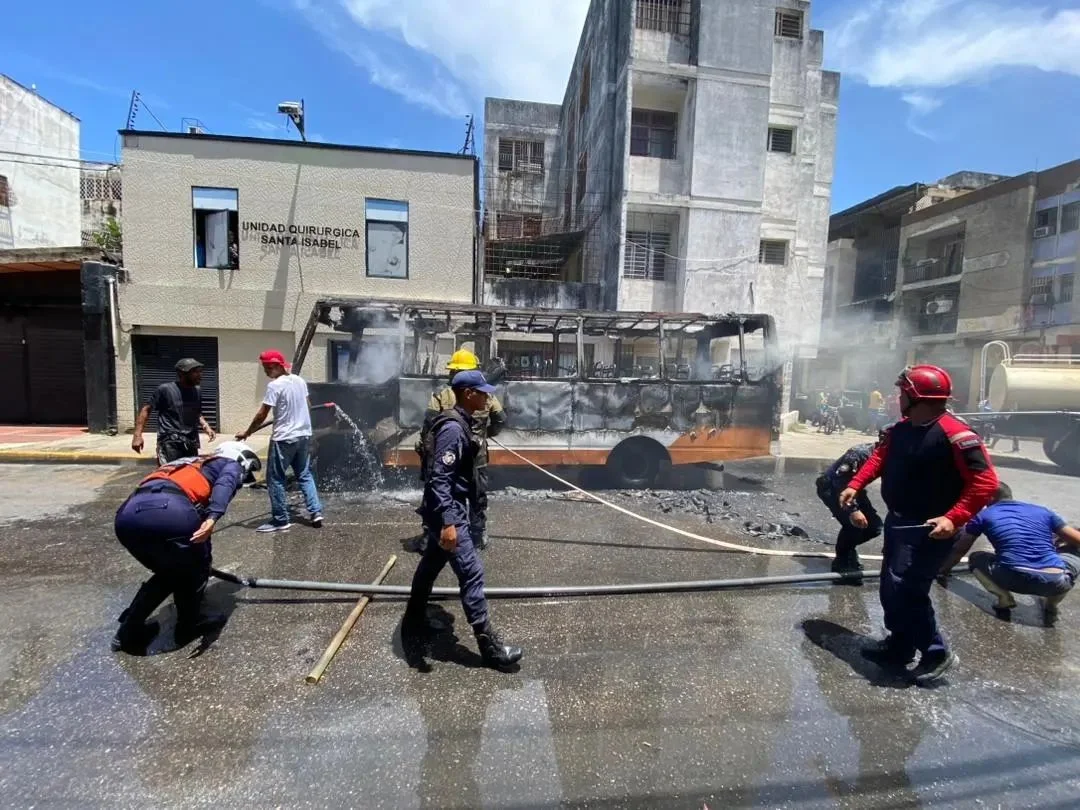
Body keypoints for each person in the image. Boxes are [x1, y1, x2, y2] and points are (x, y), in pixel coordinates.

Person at [840, 365, 999, 685]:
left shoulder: (957, 436)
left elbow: (985, 483)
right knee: (890, 586)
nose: (896, 399)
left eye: (901, 394)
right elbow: (878, 459)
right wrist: (856, 484)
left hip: (930, 528)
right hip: (899, 523)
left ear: (915, 398)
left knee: (908, 588)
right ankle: (899, 645)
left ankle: (935, 652)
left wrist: (953, 518)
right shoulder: (902, 429)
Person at [403, 370, 523, 669]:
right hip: (449, 511)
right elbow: (439, 479)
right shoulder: (453, 430)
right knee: (471, 574)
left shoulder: (460, 422)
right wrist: (448, 523)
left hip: (445, 510)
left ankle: (413, 620)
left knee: (430, 564)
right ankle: (490, 647)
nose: (487, 397)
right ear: (468, 394)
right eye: (482, 392)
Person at [111, 441, 261, 653]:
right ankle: (188, 626)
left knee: (168, 573)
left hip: (127, 517)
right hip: (171, 511)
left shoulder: (187, 463)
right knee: (197, 568)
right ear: (238, 455)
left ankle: (127, 632)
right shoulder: (228, 462)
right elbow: (226, 482)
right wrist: (213, 516)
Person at [940, 482, 1080, 626]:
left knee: (976, 557)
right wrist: (1058, 543)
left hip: (1012, 577)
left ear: (990, 498)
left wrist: (943, 571)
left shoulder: (984, 516)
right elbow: (1077, 539)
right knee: (1073, 554)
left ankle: (1004, 598)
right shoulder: (1044, 511)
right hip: (1056, 582)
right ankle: (1051, 604)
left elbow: (960, 549)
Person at [419, 349, 506, 550]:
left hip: (447, 456)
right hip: (478, 458)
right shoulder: (486, 396)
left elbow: (429, 426)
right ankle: (477, 537)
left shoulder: (442, 395)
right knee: (477, 498)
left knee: (442, 492)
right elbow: (501, 420)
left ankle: (431, 536)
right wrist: (485, 434)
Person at [236, 349, 324, 533]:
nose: (266, 371)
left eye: (268, 367)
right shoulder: (299, 381)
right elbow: (307, 406)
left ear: (278, 366)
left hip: (284, 438)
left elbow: (262, 414)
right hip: (303, 435)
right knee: (304, 474)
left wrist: (248, 432)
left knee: (275, 478)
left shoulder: (275, 386)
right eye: (265, 367)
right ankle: (316, 512)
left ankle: (280, 520)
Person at [816, 431, 887, 580]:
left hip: (854, 491)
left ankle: (848, 549)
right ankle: (841, 562)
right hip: (832, 488)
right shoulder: (859, 454)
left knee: (874, 527)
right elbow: (840, 482)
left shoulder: (891, 457)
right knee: (853, 524)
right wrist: (853, 510)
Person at [132, 358, 216, 464]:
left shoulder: (197, 391)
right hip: (170, 443)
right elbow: (146, 410)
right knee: (169, 476)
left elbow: (197, 413)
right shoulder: (165, 389)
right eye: (195, 372)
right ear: (182, 374)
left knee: (188, 476)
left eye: (200, 371)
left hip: (190, 442)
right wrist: (137, 435)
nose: (200, 375)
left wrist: (206, 427)